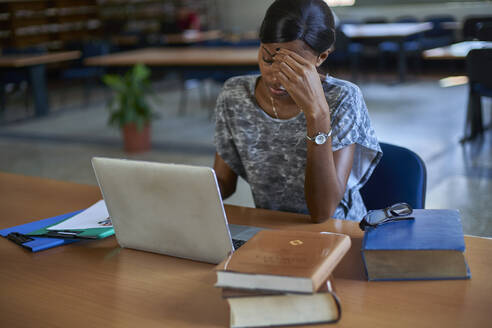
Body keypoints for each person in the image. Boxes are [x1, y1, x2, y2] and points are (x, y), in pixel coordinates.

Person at [213, 0, 382, 222]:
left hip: (337, 232)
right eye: (267, 58)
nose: (275, 77)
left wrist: (318, 115)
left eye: (293, 68)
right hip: (272, 229)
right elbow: (223, 184)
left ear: (321, 57)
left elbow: (322, 212)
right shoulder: (235, 94)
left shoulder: (343, 98)